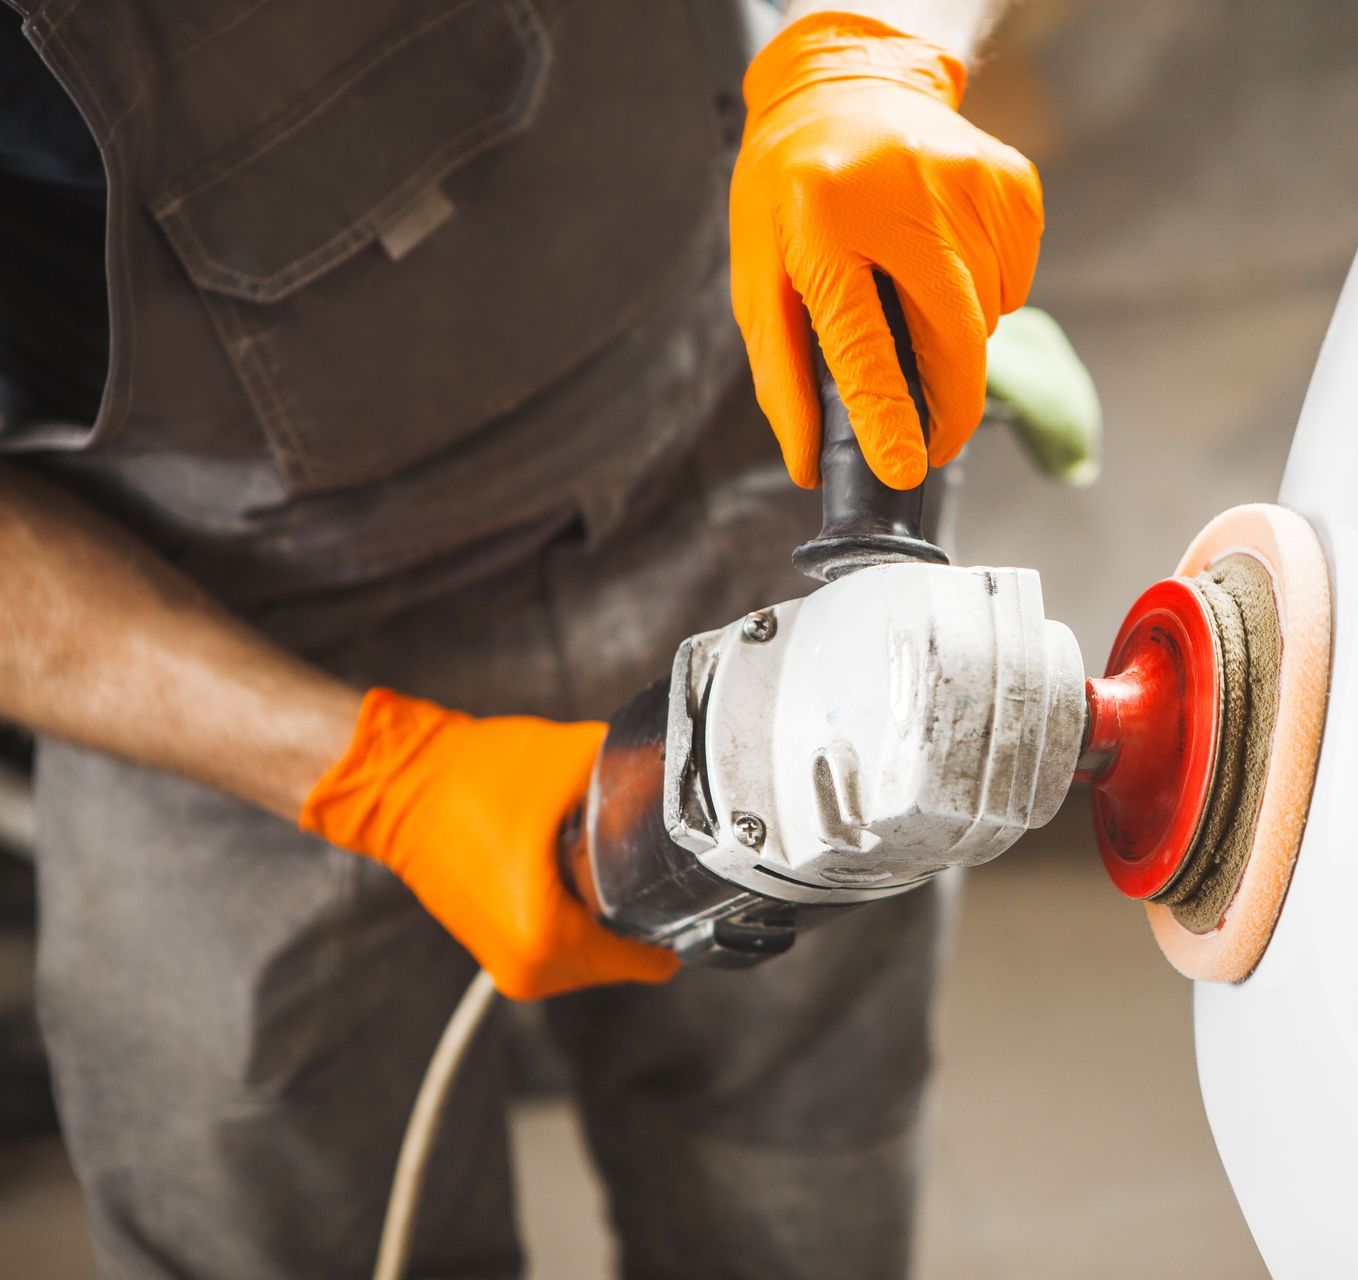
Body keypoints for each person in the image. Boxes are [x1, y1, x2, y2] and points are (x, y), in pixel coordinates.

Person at [0, 0, 1042, 1274]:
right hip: (201, 645)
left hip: (727, 432)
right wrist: (377, 777)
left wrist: (876, 45)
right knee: (274, 1224)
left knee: (798, 1178)